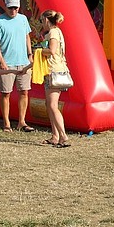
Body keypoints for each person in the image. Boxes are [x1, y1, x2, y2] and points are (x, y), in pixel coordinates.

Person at [0, 0, 35, 132]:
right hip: (7, 63)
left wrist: (30, 55)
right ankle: (7, 123)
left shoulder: (23, 19)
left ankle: (22, 122)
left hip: (24, 62)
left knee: (24, 91)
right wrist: (1, 61)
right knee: (6, 93)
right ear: (5, 7)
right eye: (10, 8)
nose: (13, 11)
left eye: (15, 8)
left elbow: (27, 37)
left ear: (19, 7)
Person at [40, 10, 71, 148]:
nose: (42, 24)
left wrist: (39, 51)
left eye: (42, 21)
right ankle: (55, 136)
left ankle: (63, 136)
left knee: (53, 105)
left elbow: (52, 50)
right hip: (54, 70)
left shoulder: (53, 33)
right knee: (49, 104)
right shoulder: (57, 32)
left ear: (47, 20)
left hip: (55, 71)